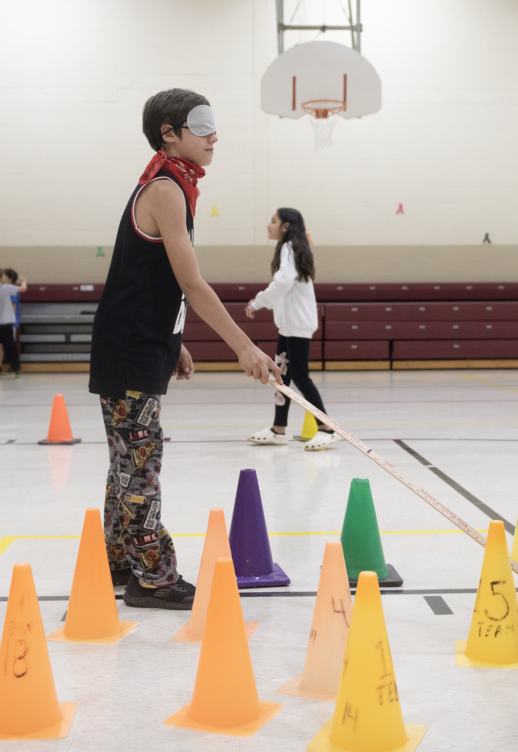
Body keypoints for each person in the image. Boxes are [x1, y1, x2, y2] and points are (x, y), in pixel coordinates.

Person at [89, 88, 282, 610]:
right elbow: (192, 283)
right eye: (202, 126)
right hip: (129, 348)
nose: (214, 135)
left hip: (138, 343)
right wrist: (245, 348)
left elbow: (151, 282)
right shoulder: (165, 189)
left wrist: (174, 343)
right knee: (140, 465)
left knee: (126, 462)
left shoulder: (171, 185)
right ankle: (152, 578)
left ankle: (117, 561)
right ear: (169, 135)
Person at [246, 209, 339, 451]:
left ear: (286, 226)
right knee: (281, 375)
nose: (268, 225)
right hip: (288, 326)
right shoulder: (291, 248)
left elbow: (284, 281)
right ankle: (278, 429)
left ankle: (327, 428)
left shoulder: (290, 248)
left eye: (273, 221)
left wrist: (258, 301)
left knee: (299, 376)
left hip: (297, 325)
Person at [0, 268, 22, 374]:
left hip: (9, 323)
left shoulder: (12, 290)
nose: (1, 277)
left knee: (8, 345)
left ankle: (15, 366)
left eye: (3, 276)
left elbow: (13, 307)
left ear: (9, 279)